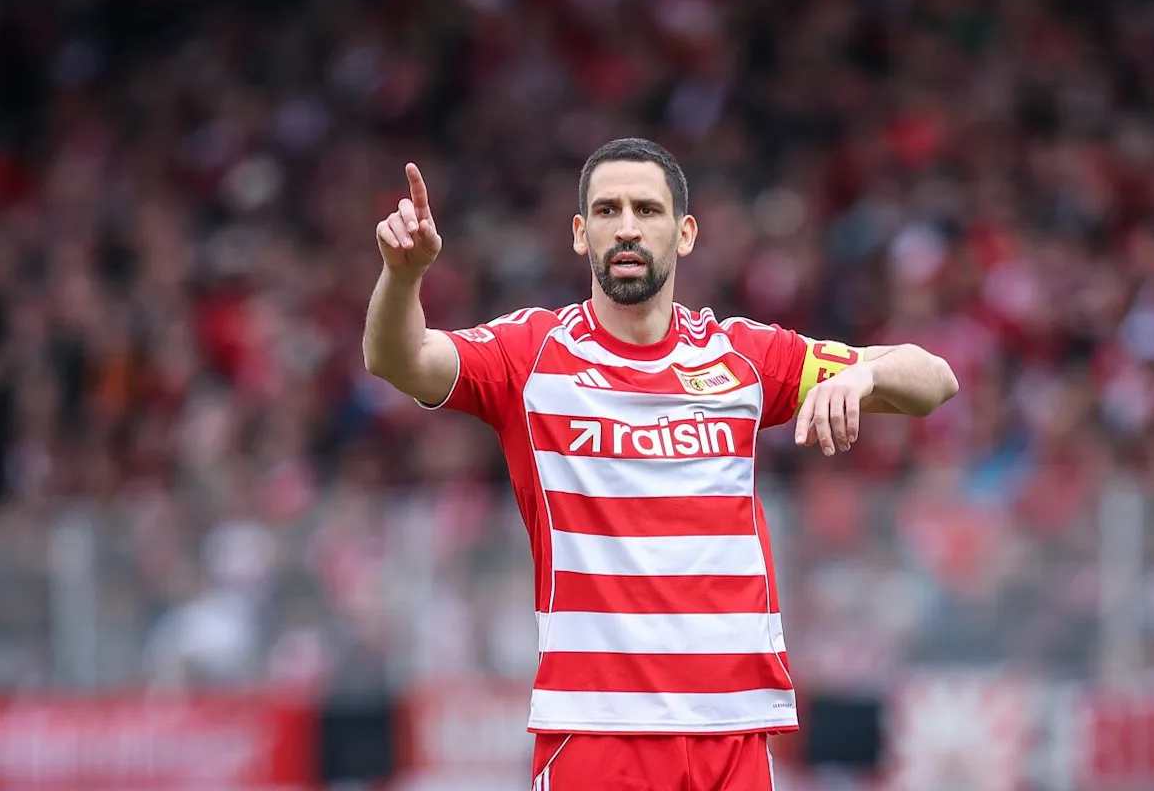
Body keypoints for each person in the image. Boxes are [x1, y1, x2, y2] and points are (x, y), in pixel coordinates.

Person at [364, 138, 958, 790]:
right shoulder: (530, 355)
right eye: (608, 210)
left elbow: (936, 379)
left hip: (734, 731)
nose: (627, 227)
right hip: (596, 731)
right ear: (580, 233)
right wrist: (404, 275)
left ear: (685, 233)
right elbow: (399, 359)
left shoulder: (741, 357)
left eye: (646, 209)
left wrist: (864, 375)